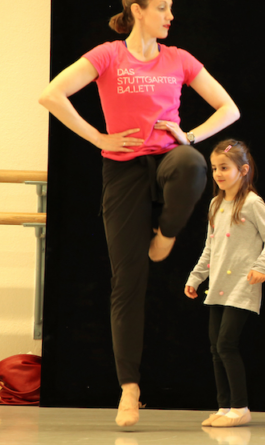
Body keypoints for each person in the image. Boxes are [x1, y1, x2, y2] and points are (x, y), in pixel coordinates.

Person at [38, 0, 239, 427]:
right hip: (123, 169)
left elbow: (229, 108)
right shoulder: (108, 54)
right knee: (127, 282)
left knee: (192, 162)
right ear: (137, 10)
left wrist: (191, 135)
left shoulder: (178, 58)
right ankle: (129, 389)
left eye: (171, 8)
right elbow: (51, 94)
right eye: (162, 8)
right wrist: (98, 137)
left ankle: (165, 234)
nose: (170, 16)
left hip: (168, 161)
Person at [185, 140, 265, 428]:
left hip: (242, 283)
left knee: (226, 343)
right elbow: (210, 248)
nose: (218, 173)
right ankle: (224, 406)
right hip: (218, 285)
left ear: (243, 170)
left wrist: (260, 267)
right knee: (216, 347)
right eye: (215, 168)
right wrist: (195, 277)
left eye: (224, 168)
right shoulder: (215, 204)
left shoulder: (252, 203)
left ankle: (240, 407)